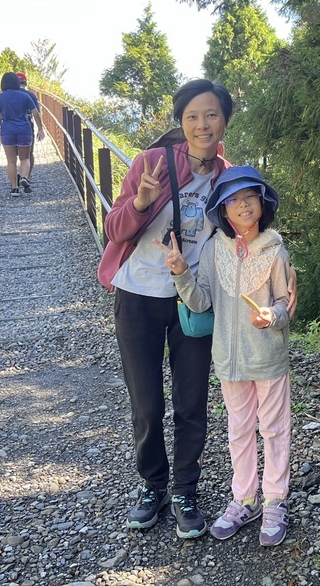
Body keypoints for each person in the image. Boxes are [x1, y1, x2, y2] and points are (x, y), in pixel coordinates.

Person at [97, 78, 235, 539]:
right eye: (193, 115)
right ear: (181, 121)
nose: (202, 124)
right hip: (137, 296)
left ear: (224, 121)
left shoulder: (228, 176)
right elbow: (116, 229)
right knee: (148, 404)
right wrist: (140, 200)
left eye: (211, 114)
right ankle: (152, 485)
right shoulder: (151, 163)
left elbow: (240, 237)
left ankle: (185, 489)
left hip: (191, 299)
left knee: (192, 402)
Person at [161, 165, 293, 546]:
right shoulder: (213, 247)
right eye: (233, 200)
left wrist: (273, 315)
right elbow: (201, 301)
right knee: (238, 432)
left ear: (262, 203)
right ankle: (244, 499)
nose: (243, 205)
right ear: (223, 210)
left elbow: (285, 303)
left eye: (250, 197)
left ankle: (275, 501)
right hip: (229, 361)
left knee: (274, 429)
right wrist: (181, 272)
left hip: (268, 357)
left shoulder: (275, 249)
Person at [0, 71, 44, 197]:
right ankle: (24, 177)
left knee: (11, 161)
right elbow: (35, 113)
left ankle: (14, 188)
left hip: (7, 131)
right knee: (25, 158)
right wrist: (40, 129)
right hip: (24, 129)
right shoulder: (25, 96)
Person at [15, 72, 39, 183]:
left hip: (10, 127)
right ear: (25, 82)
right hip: (27, 126)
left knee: (12, 156)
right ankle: (27, 177)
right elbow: (36, 113)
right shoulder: (31, 95)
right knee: (29, 153)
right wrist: (41, 129)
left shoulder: (7, 94)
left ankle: (14, 181)